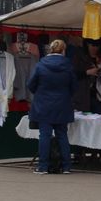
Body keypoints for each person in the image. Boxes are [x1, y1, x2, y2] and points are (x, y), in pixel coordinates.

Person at [27, 39, 76, 174]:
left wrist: (41, 93)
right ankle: (66, 167)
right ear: (63, 50)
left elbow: (31, 85)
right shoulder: (69, 66)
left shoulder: (41, 65)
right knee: (62, 135)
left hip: (43, 105)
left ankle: (43, 167)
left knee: (44, 136)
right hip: (63, 105)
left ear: (50, 50)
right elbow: (74, 87)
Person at [73, 39, 101, 113]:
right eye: (92, 46)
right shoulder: (80, 56)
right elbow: (73, 75)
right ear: (87, 44)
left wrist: (100, 72)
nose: (95, 48)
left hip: (100, 97)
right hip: (83, 96)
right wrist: (87, 72)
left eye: (97, 46)